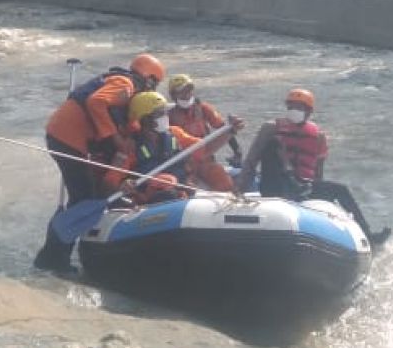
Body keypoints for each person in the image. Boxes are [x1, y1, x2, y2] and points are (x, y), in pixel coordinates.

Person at [35, 53, 166, 272]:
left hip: (67, 136)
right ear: (150, 79)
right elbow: (96, 102)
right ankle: (52, 259)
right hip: (67, 138)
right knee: (83, 198)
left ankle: (56, 256)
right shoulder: (125, 84)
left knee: (83, 196)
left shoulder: (125, 91)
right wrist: (114, 137)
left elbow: (125, 122)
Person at [235, 88, 390, 246]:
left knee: (341, 190)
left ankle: (368, 235)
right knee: (274, 144)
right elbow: (251, 161)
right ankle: (292, 184)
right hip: (276, 184)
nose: (294, 111)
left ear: (309, 111)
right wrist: (239, 190)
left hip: (303, 188)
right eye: (291, 107)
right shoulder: (271, 128)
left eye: (299, 107)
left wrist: (319, 205)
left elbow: (318, 172)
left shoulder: (318, 136)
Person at [100, 91, 240, 204]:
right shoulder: (130, 146)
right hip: (155, 196)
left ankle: (230, 201)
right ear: (146, 120)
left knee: (215, 170)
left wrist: (230, 131)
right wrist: (123, 186)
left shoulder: (174, 133)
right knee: (165, 182)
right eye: (160, 113)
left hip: (183, 187)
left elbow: (205, 149)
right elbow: (109, 183)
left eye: (165, 112)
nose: (165, 116)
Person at [166, 74, 241, 192]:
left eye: (189, 91)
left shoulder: (203, 109)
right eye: (181, 92)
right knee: (188, 188)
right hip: (185, 164)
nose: (186, 95)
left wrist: (237, 151)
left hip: (206, 159)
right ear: (173, 96)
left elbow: (224, 128)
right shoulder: (169, 117)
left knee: (220, 177)